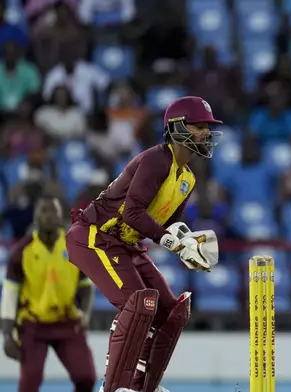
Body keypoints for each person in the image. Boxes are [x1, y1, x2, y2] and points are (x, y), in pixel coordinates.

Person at [65, 96, 223, 392]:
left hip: (127, 244)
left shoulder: (187, 177)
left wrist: (188, 242)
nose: (206, 133)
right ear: (177, 128)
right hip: (94, 236)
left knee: (170, 311)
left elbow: (170, 224)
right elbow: (132, 212)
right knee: (138, 303)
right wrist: (170, 242)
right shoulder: (155, 160)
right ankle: (113, 387)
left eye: (207, 127)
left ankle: (143, 386)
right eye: (200, 126)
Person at [1, 195, 96, 392]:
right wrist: (8, 336)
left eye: (53, 210)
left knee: (86, 377)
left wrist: (85, 315)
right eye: (43, 210)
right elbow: (9, 296)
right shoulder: (21, 251)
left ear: (61, 215)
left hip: (67, 321)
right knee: (30, 383)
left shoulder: (75, 246)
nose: (49, 216)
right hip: (33, 325)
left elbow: (86, 286)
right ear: (35, 217)